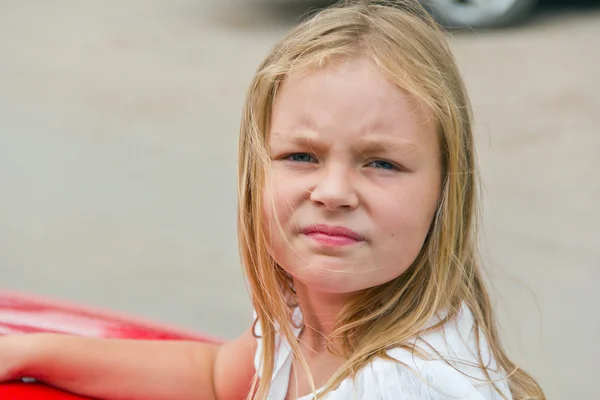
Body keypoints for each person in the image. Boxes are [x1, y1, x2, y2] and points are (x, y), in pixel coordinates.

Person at [0, 1, 545, 399]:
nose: (332, 193)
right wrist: (32, 351)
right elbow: (214, 378)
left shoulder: (405, 384)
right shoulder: (305, 319)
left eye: (381, 163)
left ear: (447, 193)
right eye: (300, 156)